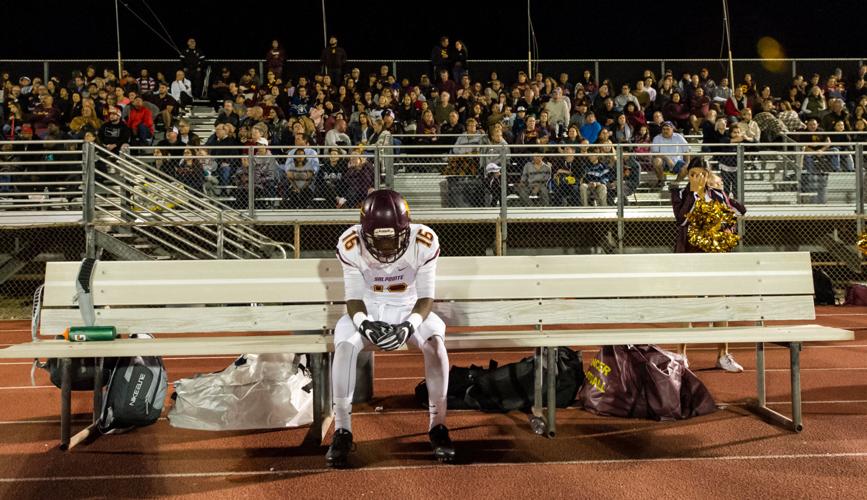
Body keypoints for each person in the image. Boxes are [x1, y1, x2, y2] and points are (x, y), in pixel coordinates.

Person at [327, 189, 454, 467]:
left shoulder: (424, 240)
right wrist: (365, 325)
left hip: (410, 307)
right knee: (345, 345)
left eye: (391, 239)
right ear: (365, 232)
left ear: (405, 230)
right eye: (378, 240)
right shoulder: (350, 243)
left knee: (435, 344)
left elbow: (426, 298)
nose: (385, 249)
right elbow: (353, 298)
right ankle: (342, 429)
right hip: (369, 307)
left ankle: (438, 426)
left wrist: (409, 325)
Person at [671, 158, 746, 373]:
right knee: (687, 306)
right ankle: (681, 354)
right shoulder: (680, 195)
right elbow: (681, 220)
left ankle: (723, 355)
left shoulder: (717, 194)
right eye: (692, 174)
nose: (696, 178)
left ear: (707, 175)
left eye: (700, 174)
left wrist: (726, 224)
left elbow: (740, 211)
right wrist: (694, 194)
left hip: (715, 257)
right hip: (689, 257)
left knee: (720, 304)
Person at [651, 121, 690, 186]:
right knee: (656, 161)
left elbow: (686, 151)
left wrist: (687, 162)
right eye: (663, 129)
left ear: (672, 129)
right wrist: (666, 158)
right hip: (663, 164)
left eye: (667, 129)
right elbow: (655, 153)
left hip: (677, 164)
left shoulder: (678, 137)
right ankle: (661, 181)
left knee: (688, 166)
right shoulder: (657, 138)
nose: (665, 131)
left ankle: (676, 182)